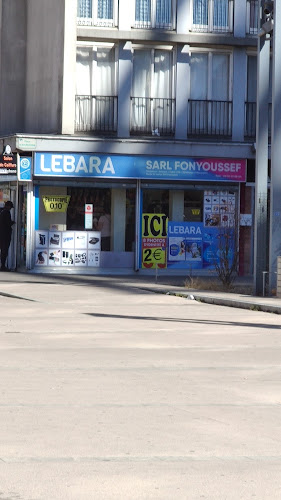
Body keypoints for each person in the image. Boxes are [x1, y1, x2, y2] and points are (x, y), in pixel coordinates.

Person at [0, 201, 15, 271]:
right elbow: (7, 223)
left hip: (1, 234)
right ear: (8, 206)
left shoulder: (1, 211)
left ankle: (2, 265)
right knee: (4, 250)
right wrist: (12, 222)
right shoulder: (6, 212)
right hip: (5, 235)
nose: (10, 209)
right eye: (10, 207)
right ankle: (3, 265)